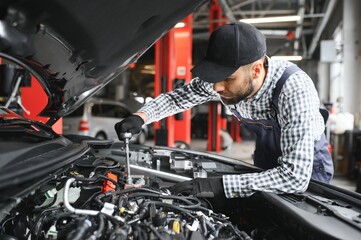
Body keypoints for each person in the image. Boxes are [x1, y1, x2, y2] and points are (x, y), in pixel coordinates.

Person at [115, 22, 334, 199]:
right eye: (215, 78)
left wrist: (220, 184)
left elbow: (295, 177)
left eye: (228, 79)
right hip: (267, 157)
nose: (217, 88)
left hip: (308, 167)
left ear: (256, 70)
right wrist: (141, 116)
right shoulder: (220, 82)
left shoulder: (294, 90)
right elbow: (178, 98)